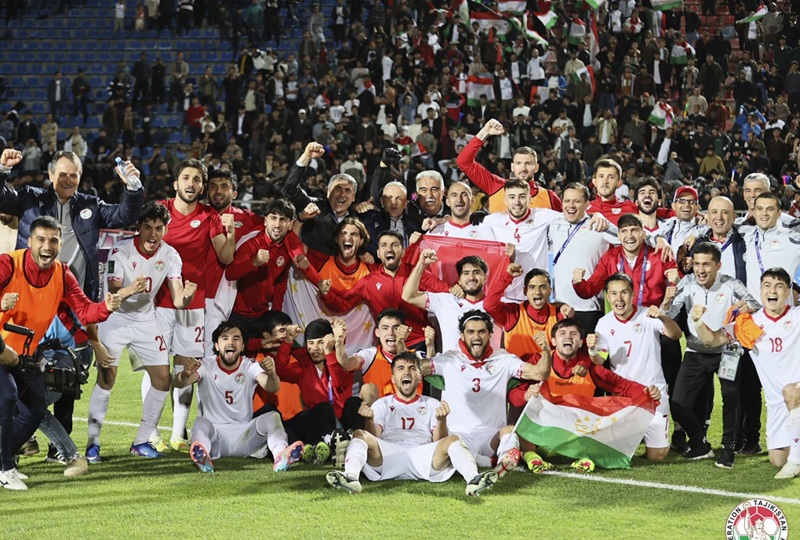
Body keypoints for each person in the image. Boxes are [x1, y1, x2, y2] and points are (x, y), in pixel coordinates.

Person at [0, 148, 143, 462]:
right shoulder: (30, 198)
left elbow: (125, 217)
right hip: (29, 302)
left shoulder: (90, 204)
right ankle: (18, 438)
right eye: (62, 174)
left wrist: (133, 187)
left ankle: (54, 448)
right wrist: (2, 170)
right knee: (17, 373)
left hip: (70, 304)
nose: (67, 180)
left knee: (66, 376)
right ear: (51, 174)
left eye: (73, 175)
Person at [0, 216, 121, 490]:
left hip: (24, 356)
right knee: (7, 399)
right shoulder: (8, 264)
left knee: (34, 409)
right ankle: (5, 468)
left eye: (53, 240)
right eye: (41, 239)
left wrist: (106, 307)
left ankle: (3, 461)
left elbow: (86, 311)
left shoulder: (62, 274)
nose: (47, 246)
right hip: (1, 348)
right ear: (29, 242)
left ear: (61, 244)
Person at [86, 202, 198, 462]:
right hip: (114, 319)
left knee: (162, 379)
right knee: (107, 379)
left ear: (165, 230)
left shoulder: (171, 255)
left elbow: (178, 299)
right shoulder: (120, 251)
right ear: (138, 227)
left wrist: (187, 297)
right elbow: (113, 294)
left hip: (146, 320)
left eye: (158, 228)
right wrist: (130, 290)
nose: (153, 234)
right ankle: (93, 443)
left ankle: (141, 441)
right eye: (147, 227)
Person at [149, 158, 235, 452]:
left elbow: (226, 257)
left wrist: (231, 233)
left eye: (197, 179)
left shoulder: (210, 216)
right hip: (159, 302)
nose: (191, 183)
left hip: (193, 305)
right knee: (156, 367)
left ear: (201, 186)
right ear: (176, 183)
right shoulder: (159, 211)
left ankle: (177, 436)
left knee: (185, 368)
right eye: (186, 177)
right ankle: (150, 433)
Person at [326, 352, 499, 497]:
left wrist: (441, 421)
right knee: (360, 434)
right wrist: (369, 420)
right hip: (389, 455)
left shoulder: (432, 403)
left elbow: (438, 442)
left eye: (412, 368)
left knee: (453, 439)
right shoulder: (382, 404)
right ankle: (351, 477)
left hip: (422, 455)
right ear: (393, 378)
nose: (406, 372)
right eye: (401, 368)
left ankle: (473, 479)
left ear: (419, 377)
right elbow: (375, 438)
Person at [508, 318, 662, 469]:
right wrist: (525, 395)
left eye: (573, 334)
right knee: (521, 423)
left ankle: (572, 454)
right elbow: (513, 394)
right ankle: (531, 456)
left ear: (581, 342)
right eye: (562, 333)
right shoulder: (537, 361)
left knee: (601, 428)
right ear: (553, 341)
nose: (568, 337)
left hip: (577, 430)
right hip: (545, 426)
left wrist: (646, 392)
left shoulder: (591, 368)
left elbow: (622, 385)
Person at [694, 268, 800, 479]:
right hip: (777, 405)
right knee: (777, 460)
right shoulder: (748, 323)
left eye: (779, 286)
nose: (773, 291)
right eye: (767, 285)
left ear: (788, 291)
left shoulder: (797, 316)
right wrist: (698, 321)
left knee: (791, 392)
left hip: (796, 394)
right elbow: (711, 340)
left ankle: (795, 462)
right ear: (760, 290)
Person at [661, 242, 760, 468]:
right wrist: (666, 302)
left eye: (706, 264)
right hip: (696, 350)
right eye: (697, 264)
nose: (701, 270)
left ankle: (728, 448)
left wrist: (748, 307)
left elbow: (756, 304)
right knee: (677, 402)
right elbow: (670, 313)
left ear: (718, 266)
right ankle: (700, 443)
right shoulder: (687, 283)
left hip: (727, 351)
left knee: (731, 395)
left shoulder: (731, 284)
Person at [420, 310, 551, 472]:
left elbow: (540, 373)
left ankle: (502, 465)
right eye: (470, 332)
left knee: (510, 431)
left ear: (490, 334)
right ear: (462, 335)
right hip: (459, 436)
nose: (476, 337)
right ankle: (487, 462)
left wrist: (546, 351)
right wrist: (402, 345)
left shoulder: (504, 360)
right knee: (450, 445)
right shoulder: (449, 360)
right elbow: (414, 368)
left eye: (481, 332)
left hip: (492, 438)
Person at [173, 321, 305, 473]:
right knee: (200, 422)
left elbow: (272, 387)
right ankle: (204, 457)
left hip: (245, 436)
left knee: (272, 416)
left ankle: (281, 455)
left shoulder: (249, 366)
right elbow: (179, 383)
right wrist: (186, 374)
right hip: (215, 437)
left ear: (242, 346)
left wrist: (272, 374)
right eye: (225, 338)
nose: (230, 342)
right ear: (216, 345)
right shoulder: (206, 365)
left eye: (236, 338)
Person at [590, 274, 683, 461]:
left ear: (632, 294)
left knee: (657, 456)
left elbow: (676, 334)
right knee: (619, 454)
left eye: (624, 292)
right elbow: (599, 361)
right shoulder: (604, 323)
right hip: (624, 397)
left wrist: (663, 317)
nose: (619, 298)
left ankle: (649, 437)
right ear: (607, 297)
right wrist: (592, 350)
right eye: (614, 293)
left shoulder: (647, 315)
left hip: (653, 393)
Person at [319, 230, 449, 349]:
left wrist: (457, 288)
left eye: (394, 245)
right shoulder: (368, 282)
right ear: (378, 254)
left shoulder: (417, 273)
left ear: (403, 252)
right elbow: (342, 303)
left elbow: (446, 292)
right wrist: (326, 294)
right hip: (389, 345)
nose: (389, 249)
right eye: (384, 245)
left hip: (419, 342)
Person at [225, 199, 322, 351]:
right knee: (237, 352)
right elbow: (230, 273)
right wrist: (254, 262)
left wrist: (275, 313)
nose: (277, 224)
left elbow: (280, 281)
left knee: (267, 357)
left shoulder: (286, 248)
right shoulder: (252, 244)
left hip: (263, 315)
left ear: (290, 224)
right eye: (273, 218)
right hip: (237, 315)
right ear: (265, 221)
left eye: (283, 219)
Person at [272, 319, 354, 464]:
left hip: (342, 421)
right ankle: (328, 444)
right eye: (311, 343)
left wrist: (329, 352)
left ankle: (339, 443)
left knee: (352, 404)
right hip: (316, 422)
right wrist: (288, 341)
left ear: (330, 341)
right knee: (296, 420)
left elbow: (338, 382)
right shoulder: (304, 368)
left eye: (321, 342)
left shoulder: (344, 362)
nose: (315, 348)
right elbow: (281, 371)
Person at [202, 168, 263, 357]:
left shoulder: (249, 220)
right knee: (185, 353)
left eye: (224, 186)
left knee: (213, 354)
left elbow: (277, 229)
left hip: (226, 298)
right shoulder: (197, 215)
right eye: (213, 186)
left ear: (234, 193)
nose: (218, 191)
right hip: (193, 293)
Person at [549, 182, 621, 333]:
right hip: (558, 305)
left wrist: (658, 239)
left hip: (589, 308)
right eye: (567, 201)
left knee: (590, 348)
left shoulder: (598, 225)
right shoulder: (553, 224)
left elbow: (628, 237)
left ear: (587, 204)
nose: (571, 205)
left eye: (577, 201)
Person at [402, 251, 502, 352]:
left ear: (485, 278)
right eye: (466, 273)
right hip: (451, 362)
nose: (471, 277)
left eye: (476, 272)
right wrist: (421, 264)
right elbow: (409, 296)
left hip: (490, 362)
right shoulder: (445, 301)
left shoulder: (498, 305)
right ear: (459, 280)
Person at [456, 119, 562, 213]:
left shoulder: (549, 197)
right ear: (512, 167)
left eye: (528, 163)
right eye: (519, 163)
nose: (523, 168)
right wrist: (485, 132)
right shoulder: (495, 186)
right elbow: (463, 162)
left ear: (536, 168)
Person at [282, 142, 359, 255]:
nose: (342, 194)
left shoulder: (359, 218)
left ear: (353, 197)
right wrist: (306, 156)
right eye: (337, 189)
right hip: (311, 265)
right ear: (328, 192)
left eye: (348, 190)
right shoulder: (313, 207)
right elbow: (289, 190)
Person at [486, 264, 569, 360]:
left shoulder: (560, 315)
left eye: (542, 287)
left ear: (550, 291)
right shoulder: (513, 313)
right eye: (532, 287)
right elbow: (489, 305)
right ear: (525, 291)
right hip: (518, 369)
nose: (537, 292)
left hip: (548, 368)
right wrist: (506, 277)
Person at [743, 193, 800, 301]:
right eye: (760, 209)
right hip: (754, 310)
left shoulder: (791, 238)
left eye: (770, 209)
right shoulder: (746, 235)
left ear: (779, 214)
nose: (764, 213)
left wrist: (797, 287)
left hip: (783, 309)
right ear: (754, 213)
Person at [586, 159, 639, 225]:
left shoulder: (631, 208)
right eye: (601, 176)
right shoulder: (583, 209)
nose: (605, 181)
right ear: (594, 182)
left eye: (611, 177)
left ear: (619, 183)